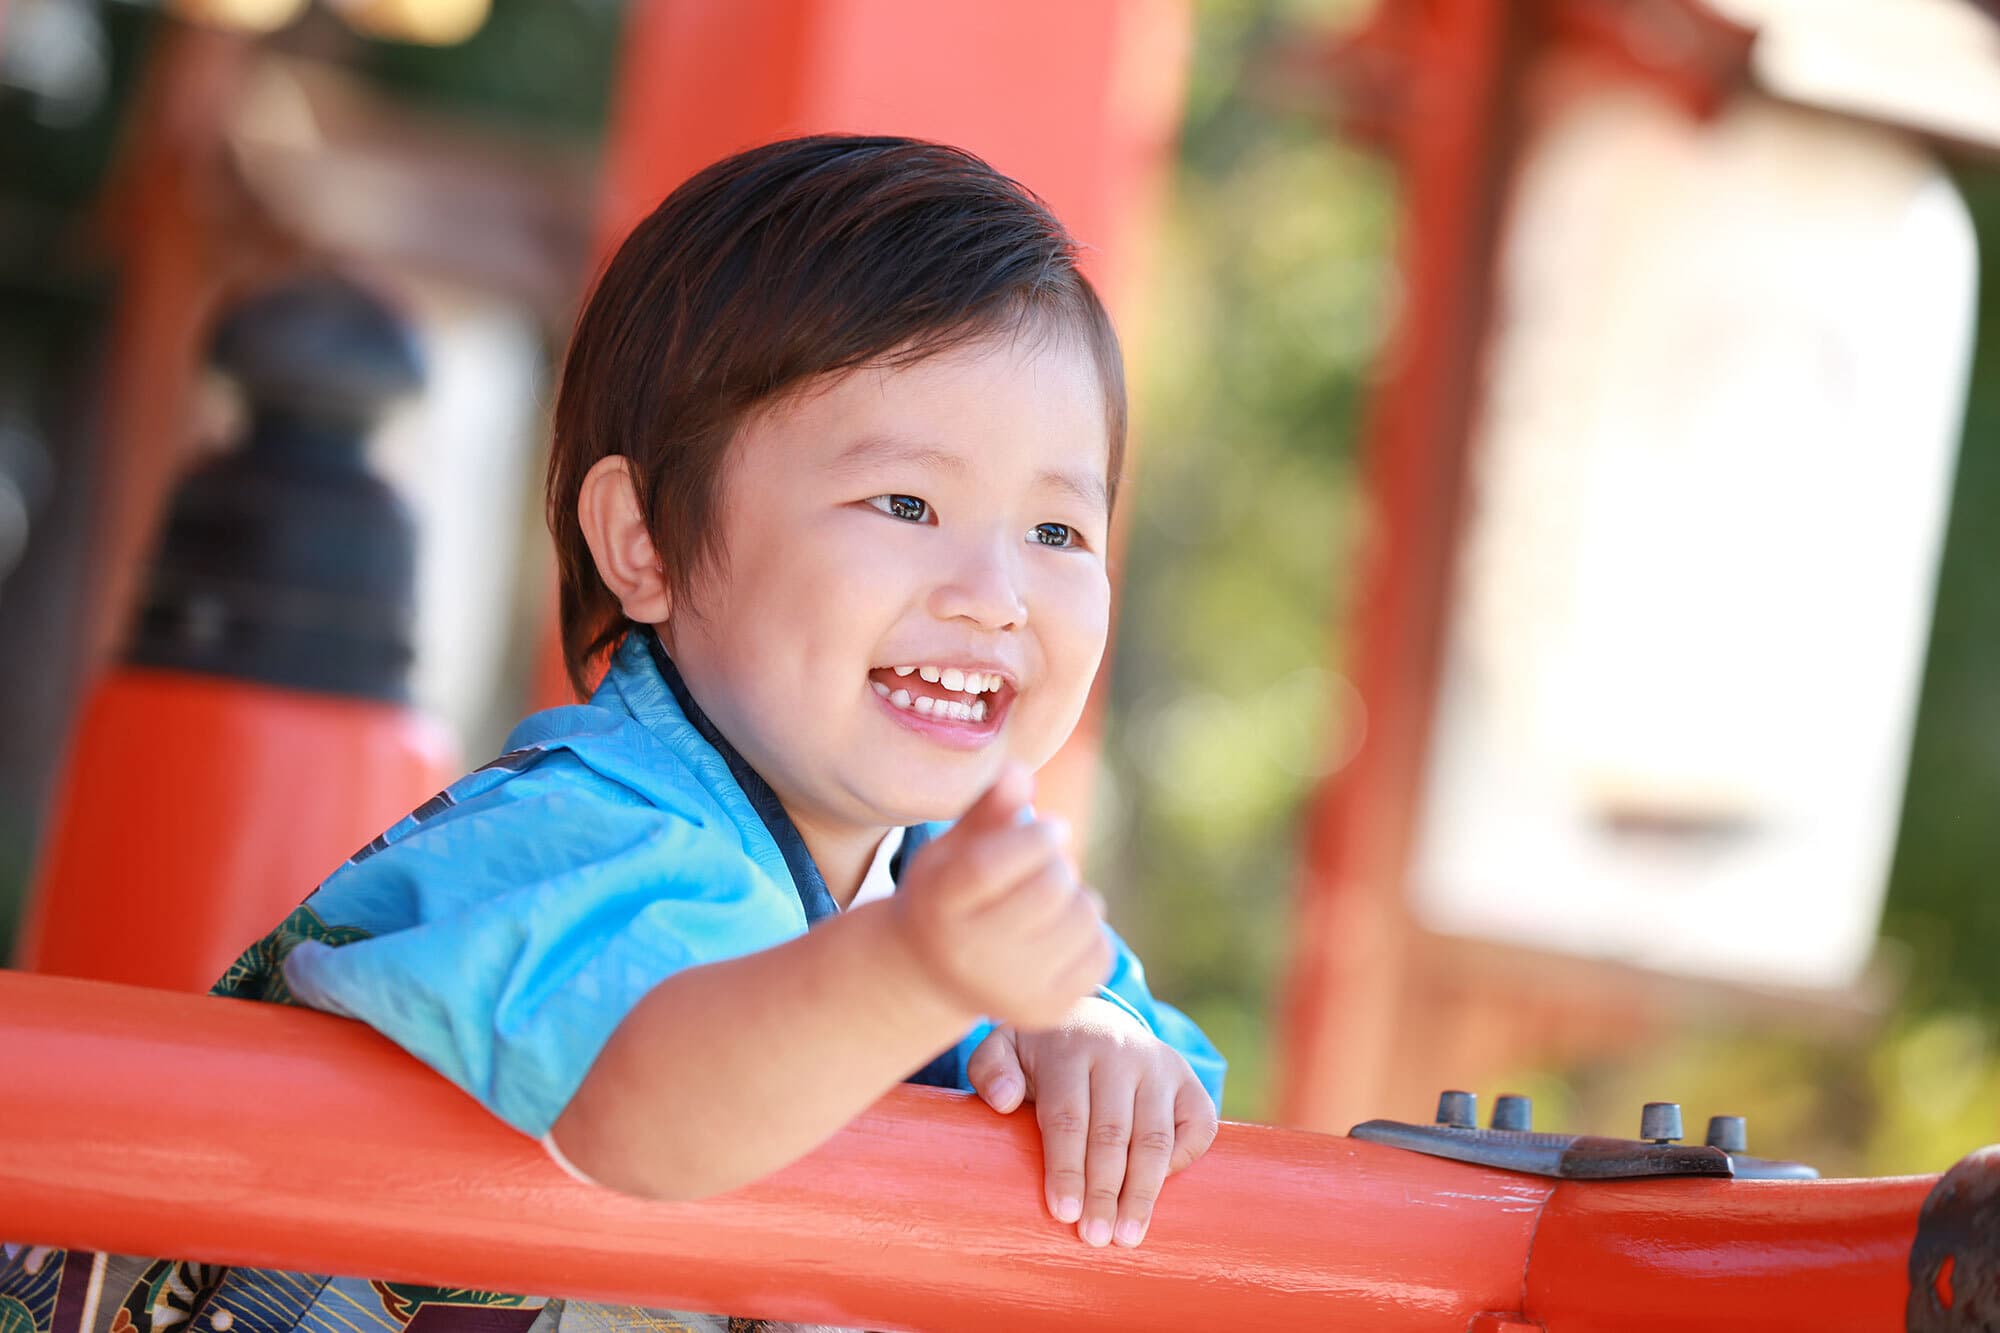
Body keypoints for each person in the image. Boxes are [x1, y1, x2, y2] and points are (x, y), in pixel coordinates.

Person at [0, 134, 1223, 1333]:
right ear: (641, 540)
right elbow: (649, 1109)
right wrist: (925, 973)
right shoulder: (585, 824)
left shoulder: (928, 873)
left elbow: (1156, 1064)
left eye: (1058, 533)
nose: (992, 593)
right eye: (905, 502)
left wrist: (1083, 1029)